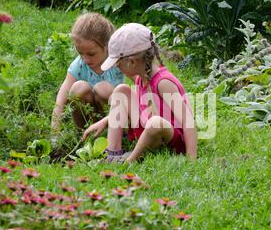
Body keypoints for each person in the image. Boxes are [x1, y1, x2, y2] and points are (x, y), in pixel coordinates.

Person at [82, 23, 197, 163]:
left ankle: (129, 161)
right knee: (121, 91)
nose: (117, 68)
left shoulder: (163, 83)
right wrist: (106, 120)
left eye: (118, 64)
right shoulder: (142, 77)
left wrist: (191, 159)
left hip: (169, 138)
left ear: (131, 62)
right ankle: (113, 154)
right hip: (149, 128)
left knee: (155, 123)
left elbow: (188, 121)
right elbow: (144, 108)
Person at [51, 13, 124, 137]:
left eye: (91, 54)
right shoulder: (79, 65)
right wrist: (55, 133)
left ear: (107, 46)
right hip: (87, 120)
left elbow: (138, 87)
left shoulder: (118, 63)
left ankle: (114, 135)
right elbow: (61, 100)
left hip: (114, 119)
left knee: (103, 88)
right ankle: (83, 136)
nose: (85, 59)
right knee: (78, 88)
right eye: (80, 53)